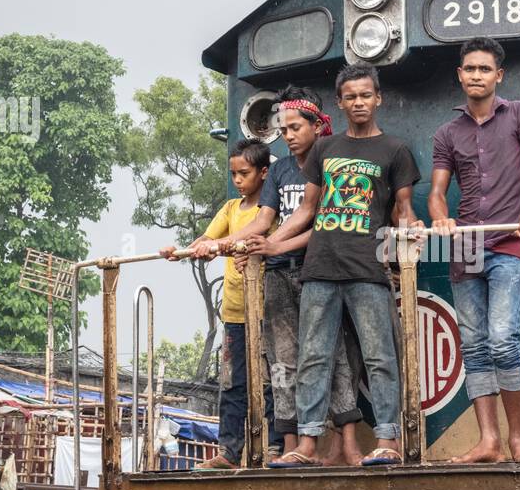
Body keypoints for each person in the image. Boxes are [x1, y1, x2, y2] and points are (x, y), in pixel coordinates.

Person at [262, 64, 421, 467]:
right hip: (319, 269)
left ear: (378, 98)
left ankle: (388, 441)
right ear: (340, 102)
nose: (359, 102)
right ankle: (307, 446)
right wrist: (268, 243)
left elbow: (403, 210)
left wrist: (412, 232)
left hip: (368, 269)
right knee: (314, 356)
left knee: (379, 357)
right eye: (351, 96)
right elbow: (306, 211)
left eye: (366, 95)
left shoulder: (395, 150)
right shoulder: (324, 149)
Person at [228, 86, 366, 466]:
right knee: (282, 362)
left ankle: (348, 443)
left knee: (333, 356)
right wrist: (223, 243)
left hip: (319, 271)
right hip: (277, 274)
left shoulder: (334, 162)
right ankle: (292, 446)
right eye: (282, 128)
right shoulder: (281, 169)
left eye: (293, 127)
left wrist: (271, 245)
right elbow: (264, 219)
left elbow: (323, 223)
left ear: (317, 125)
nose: (287, 135)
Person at [429, 37, 520, 464]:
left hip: (508, 242)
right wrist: (441, 218)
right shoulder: (448, 132)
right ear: (459, 75)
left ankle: (518, 439)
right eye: (469, 69)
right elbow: (438, 193)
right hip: (466, 248)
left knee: (503, 340)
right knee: (475, 344)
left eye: (484, 69)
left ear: (498, 75)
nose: (476, 76)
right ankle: (489, 442)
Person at [160, 139, 277, 469]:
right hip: (235, 313)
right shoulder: (229, 209)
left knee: (273, 382)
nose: (238, 180)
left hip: (269, 311)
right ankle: (228, 452)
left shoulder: (271, 211)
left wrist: (224, 247)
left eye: (245, 173)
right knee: (231, 383)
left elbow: (261, 243)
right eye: (234, 174)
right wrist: (181, 251)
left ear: (264, 173)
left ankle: (277, 448)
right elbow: (207, 241)